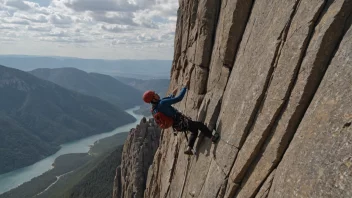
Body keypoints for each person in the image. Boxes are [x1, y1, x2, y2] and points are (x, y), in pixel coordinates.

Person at [142, 78, 220, 155]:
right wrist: (185, 87)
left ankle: (189, 148)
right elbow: (179, 99)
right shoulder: (162, 103)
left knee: (194, 130)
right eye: (154, 94)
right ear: (153, 98)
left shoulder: (154, 109)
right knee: (200, 125)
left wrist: (172, 94)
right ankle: (212, 137)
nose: (157, 94)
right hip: (182, 121)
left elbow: (166, 103)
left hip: (177, 125)